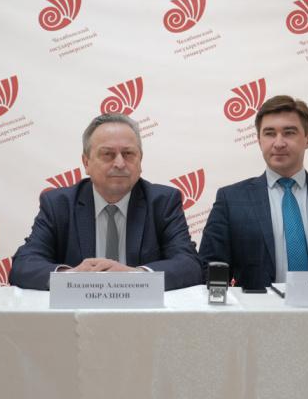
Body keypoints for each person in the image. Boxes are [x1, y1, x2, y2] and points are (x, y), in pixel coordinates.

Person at [199, 95, 308, 288]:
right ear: (259, 140)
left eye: (289, 132)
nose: (278, 143)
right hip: (255, 308)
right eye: (269, 133)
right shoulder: (231, 200)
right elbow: (209, 275)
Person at [10, 114, 203, 291]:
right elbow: (23, 265)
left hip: (143, 314)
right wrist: (70, 277)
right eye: (108, 154)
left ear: (140, 160)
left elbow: (190, 266)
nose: (120, 163)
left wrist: (135, 276)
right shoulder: (59, 204)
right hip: (77, 312)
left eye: (128, 154)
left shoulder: (162, 202)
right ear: (86, 163)